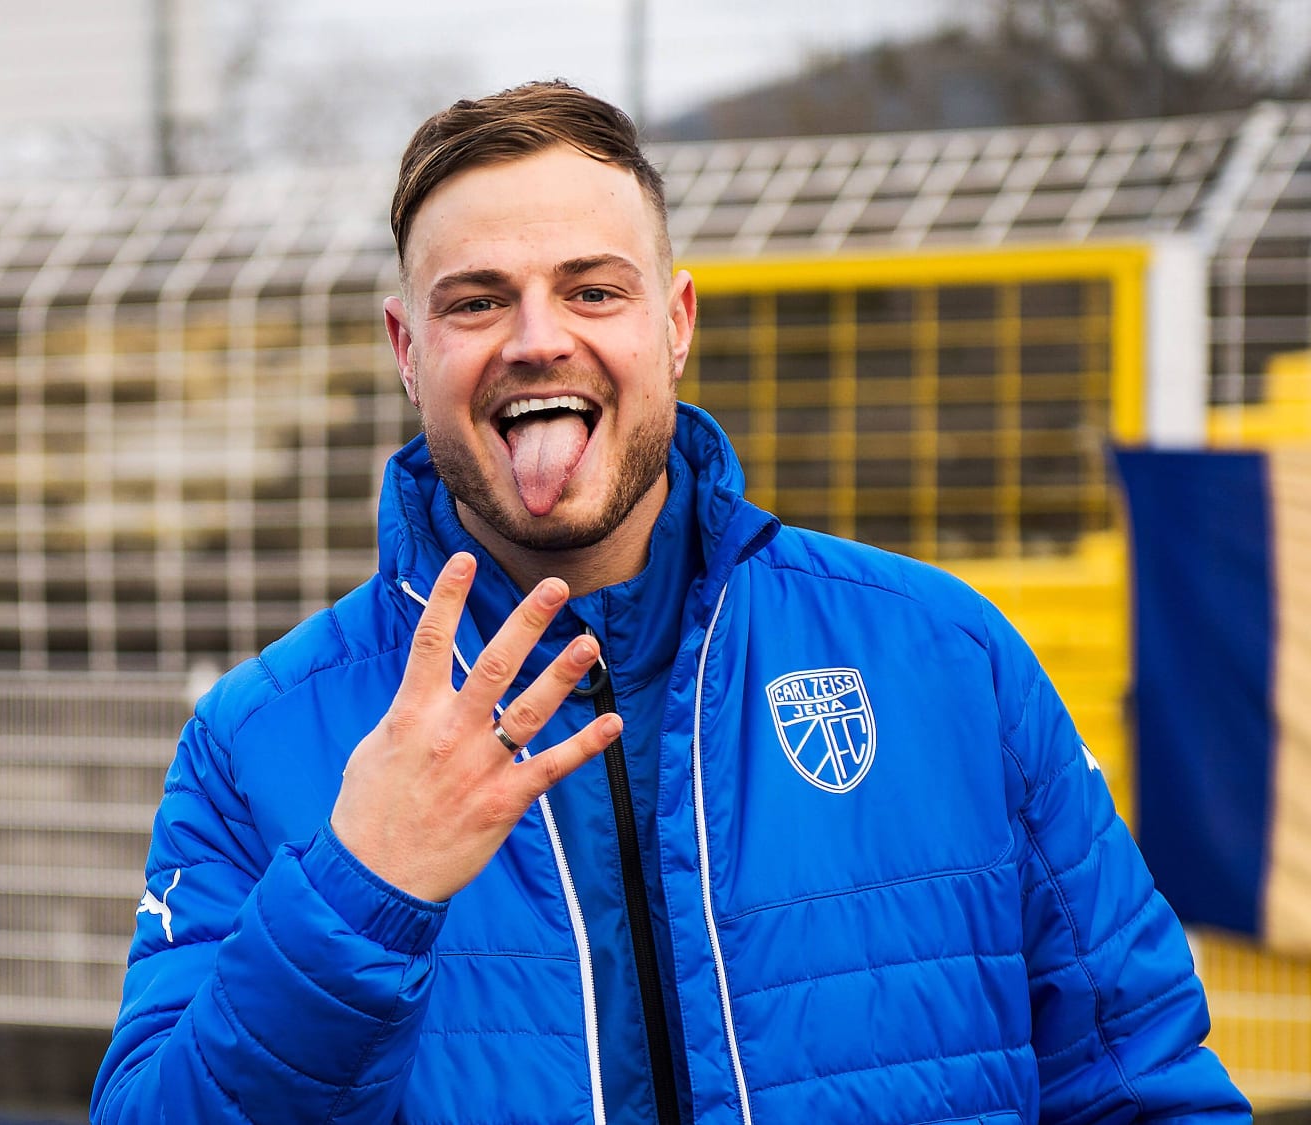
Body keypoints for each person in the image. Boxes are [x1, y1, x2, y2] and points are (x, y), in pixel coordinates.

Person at [89, 81, 1249, 1125]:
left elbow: (1144, 1087)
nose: (539, 341)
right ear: (406, 347)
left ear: (675, 324)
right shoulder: (254, 743)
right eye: (476, 302)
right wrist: (355, 896)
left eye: (591, 290)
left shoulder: (944, 660)